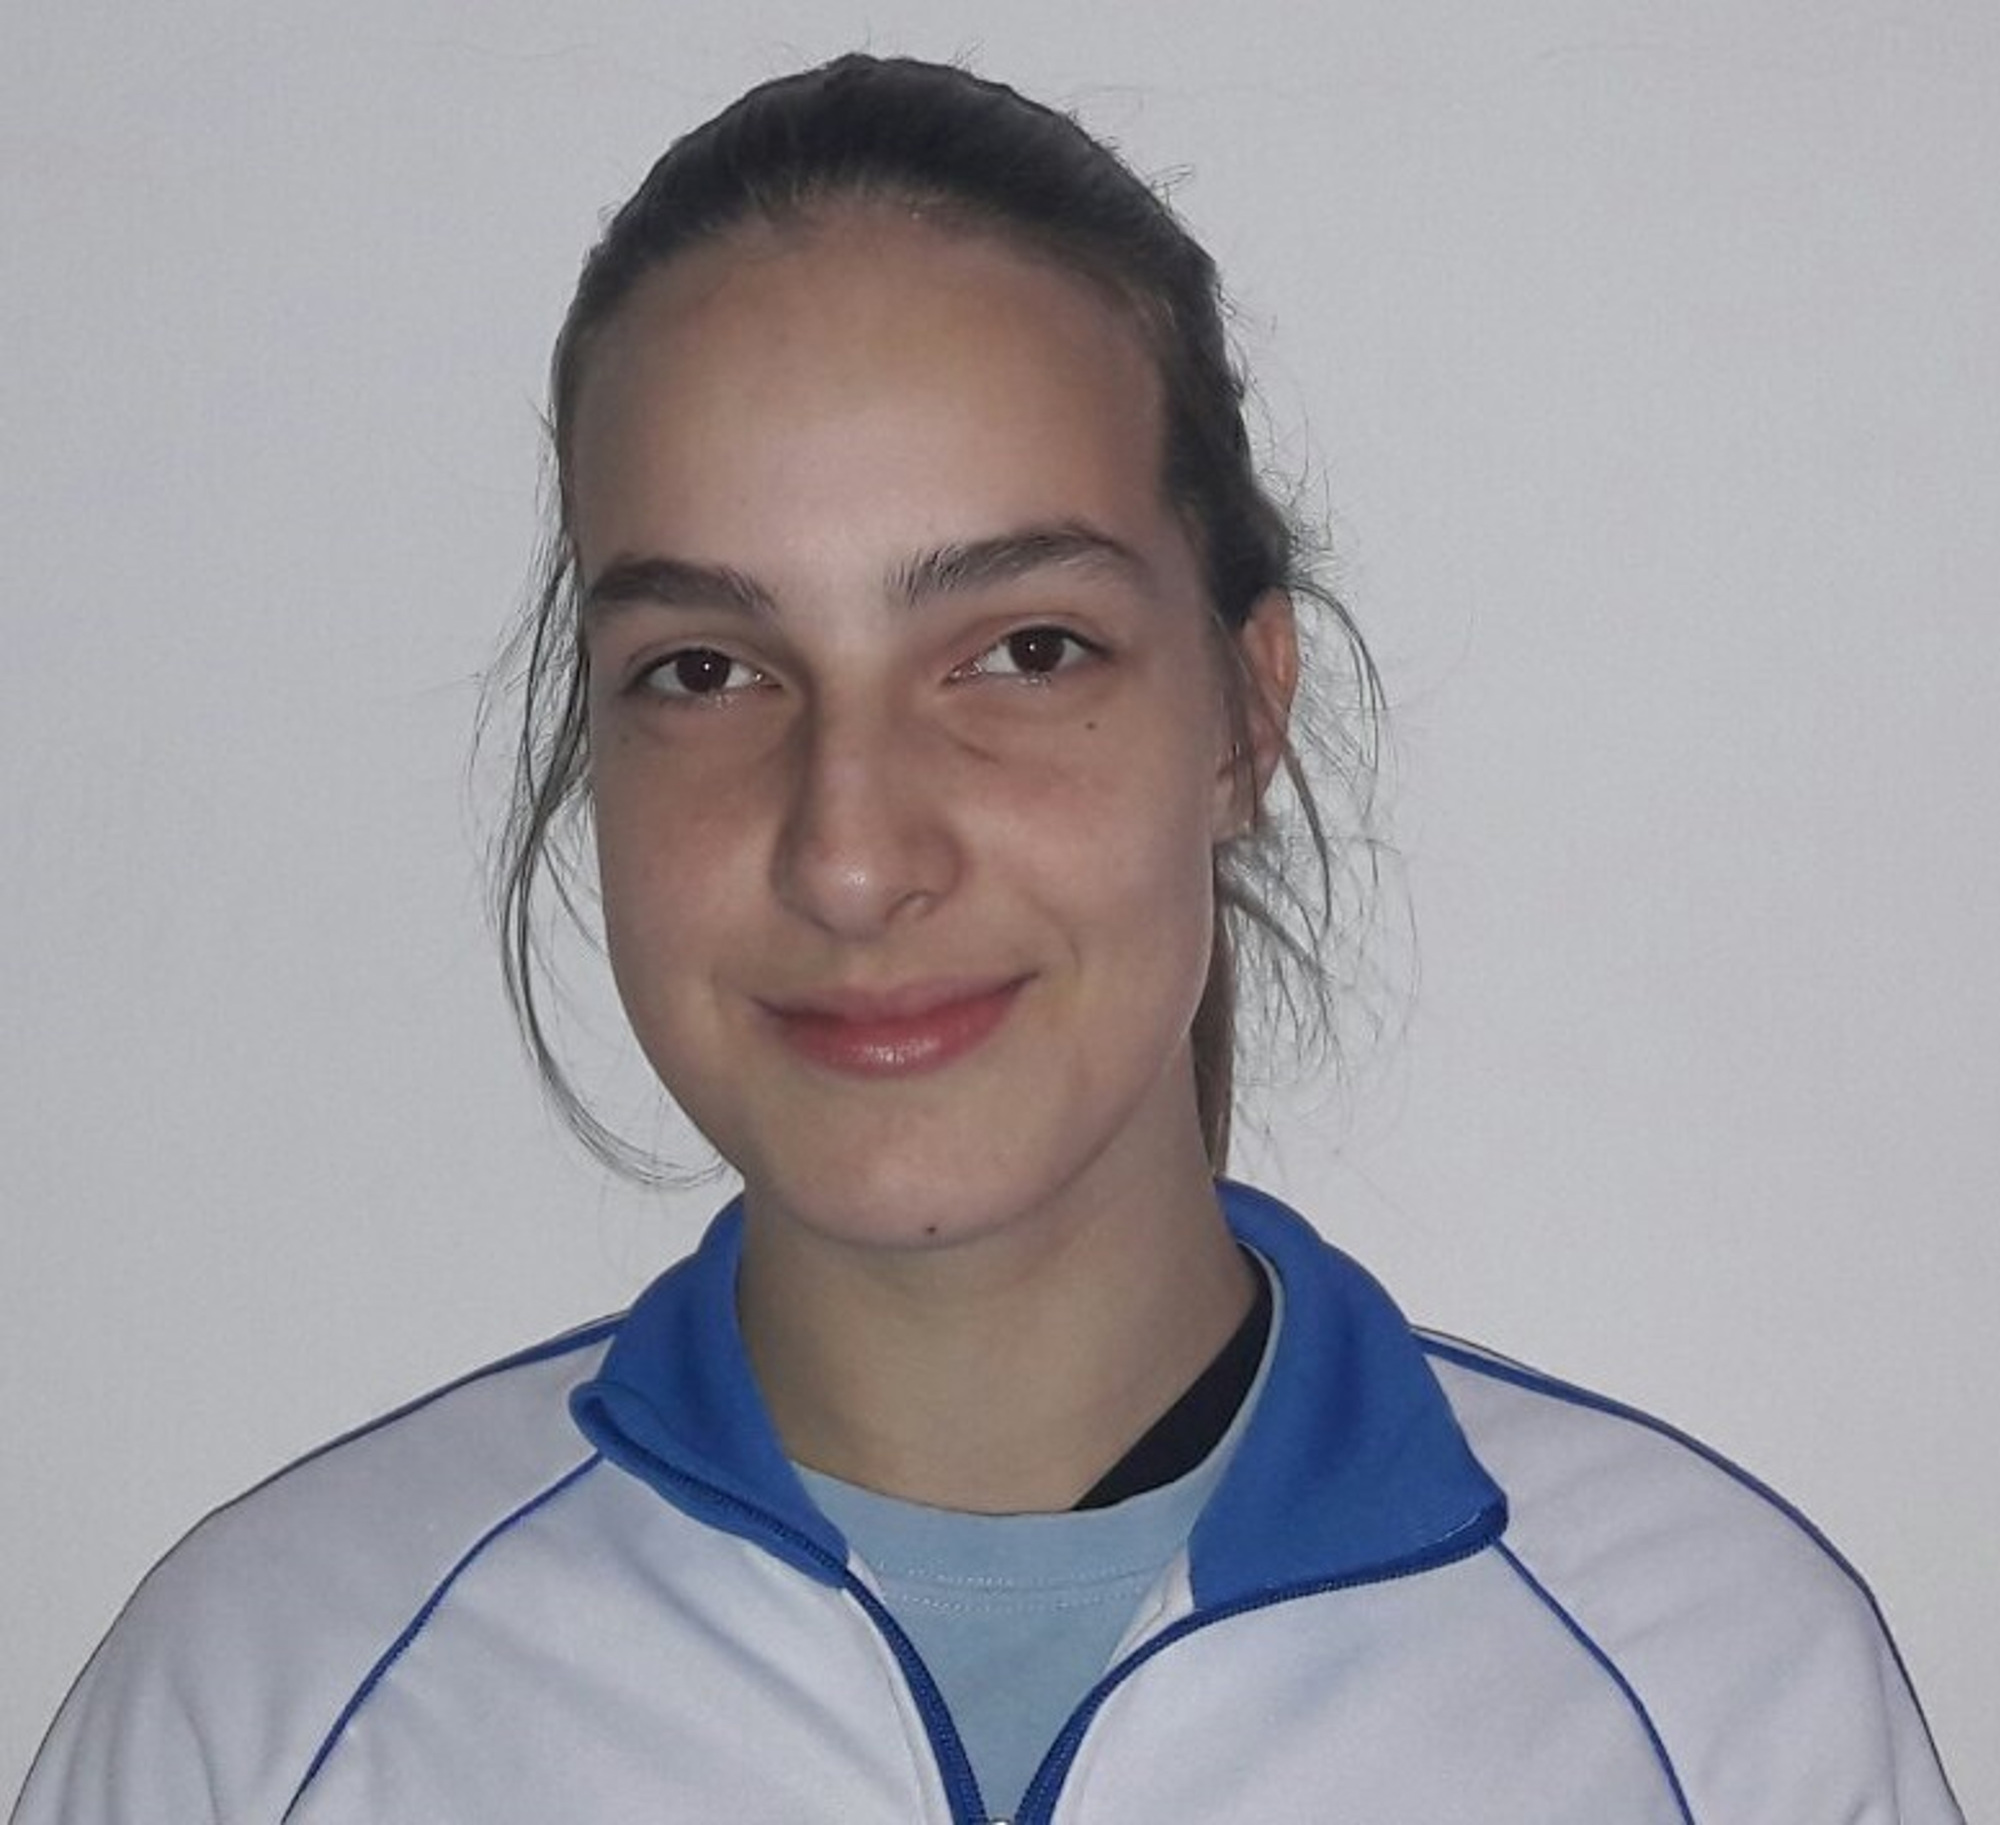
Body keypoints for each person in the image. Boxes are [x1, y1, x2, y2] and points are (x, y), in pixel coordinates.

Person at [14, 53, 1961, 1825]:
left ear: (1243, 715)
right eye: (704, 668)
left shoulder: (1722, 1708)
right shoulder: (261, 1713)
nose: (852, 853)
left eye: (1025, 649)